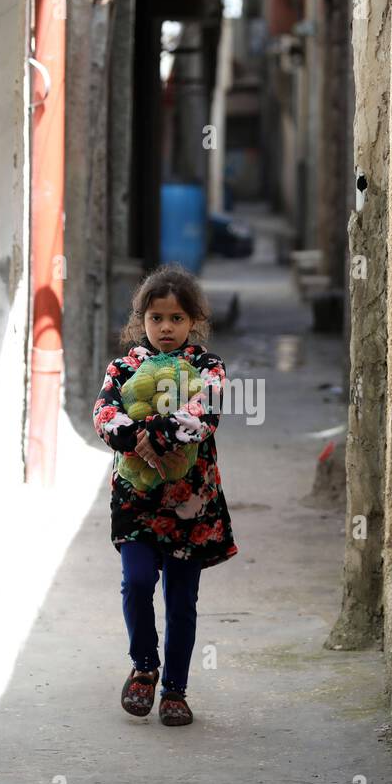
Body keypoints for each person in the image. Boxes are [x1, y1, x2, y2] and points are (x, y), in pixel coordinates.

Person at [91, 264, 238, 726]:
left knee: (181, 599)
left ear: (193, 321)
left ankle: (175, 689)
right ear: (142, 321)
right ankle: (143, 668)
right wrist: (131, 435)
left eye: (176, 318)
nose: (166, 328)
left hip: (189, 503)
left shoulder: (207, 368)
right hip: (136, 500)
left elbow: (204, 414)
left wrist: (149, 433)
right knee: (136, 582)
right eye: (156, 318)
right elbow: (103, 411)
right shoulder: (124, 367)